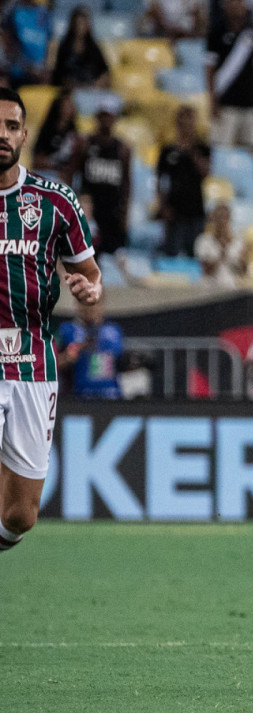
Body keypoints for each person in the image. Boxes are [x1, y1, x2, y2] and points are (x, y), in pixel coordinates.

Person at [0, 87, 104, 555]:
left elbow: (91, 277)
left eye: (9, 126)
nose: (1, 135)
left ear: (23, 134)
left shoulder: (55, 200)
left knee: (21, 515)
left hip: (32, 364)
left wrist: (89, 290)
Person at [65, 96, 131, 256]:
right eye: (103, 115)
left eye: (109, 116)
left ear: (115, 118)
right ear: (97, 117)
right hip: (89, 212)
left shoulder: (123, 149)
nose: (106, 120)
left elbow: (127, 183)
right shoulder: (85, 144)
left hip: (112, 212)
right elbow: (71, 174)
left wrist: (124, 213)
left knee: (113, 256)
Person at [206, 0, 253, 150]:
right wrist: (213, 100)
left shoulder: (252, 34)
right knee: (222, 149)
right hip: (226, 103)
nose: (235, 6)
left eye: (239, 2)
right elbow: (210, 68)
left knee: (252, 150)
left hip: (250, 104)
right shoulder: (216, 32)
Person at [156, 105, 211, 258]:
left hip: (195, 210)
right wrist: (163, 206)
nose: (186, 126)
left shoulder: (202, 148)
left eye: (190, 121)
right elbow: (160, 181)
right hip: (174, 210)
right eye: (183, 121)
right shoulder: (168, 150)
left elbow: (205, 173)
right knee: (171, 253)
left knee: (194, 254)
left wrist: (191, 151)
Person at [55, 298, 123, 400]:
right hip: (78, 398)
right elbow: (49, 364)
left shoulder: (114, 330)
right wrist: (67, 358)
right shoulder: (66, 330)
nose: (90, 307)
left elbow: (121, 363)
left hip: (111, 397)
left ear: (102, 304)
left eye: (94, 302)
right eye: (85, 303)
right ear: (77, 304)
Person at [51, 6, 110, 89]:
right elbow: (58, 74)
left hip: (91, 90)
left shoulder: (94, 48)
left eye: (85, 23)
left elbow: (104, 70)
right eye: (79, 23)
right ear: (73, 25)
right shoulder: (65, 47)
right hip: (70, 91)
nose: (82, 27)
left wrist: (98, 83)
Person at [194, 202, 245, 288]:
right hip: (210, 289)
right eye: (219, 217)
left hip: (231, 288)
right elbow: (206, 270)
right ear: (213, 219)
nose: (222, 222)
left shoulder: (237, 242)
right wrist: (221, 252)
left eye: (225, 218)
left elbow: (243, 271)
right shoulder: (204, 241)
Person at [1, 0, 51, 87]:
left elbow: (49, 43)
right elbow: (6, 41)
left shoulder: (44, 13)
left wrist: (46, 69)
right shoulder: (13, 9)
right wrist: (24, 67)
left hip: (38, 77)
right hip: (16, 74)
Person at [31, 90, 78, 175]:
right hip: (47, 173)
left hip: (65, 175)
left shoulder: (73, 133)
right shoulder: (47, 130)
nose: (70, 108)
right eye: (66, 105)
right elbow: (37, 159)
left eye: (71, 105)